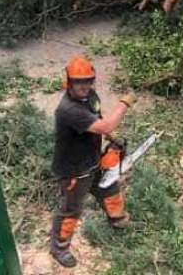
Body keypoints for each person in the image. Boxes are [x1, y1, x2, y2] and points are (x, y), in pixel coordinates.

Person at [50, 55, 137, 268]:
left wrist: (111, 139)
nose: (84, 86)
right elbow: (105, 125)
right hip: (74, 170)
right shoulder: (68, 109)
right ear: (69, 82)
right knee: (71, 209)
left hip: (91, 159)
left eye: (88, 81)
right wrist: (124, 104)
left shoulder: (90, 96)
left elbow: (99, 120)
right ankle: (59, 248)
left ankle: (118, 221)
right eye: (79, 82)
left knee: (109, 188)